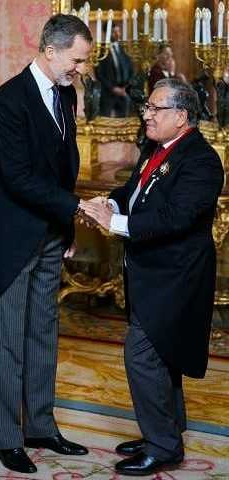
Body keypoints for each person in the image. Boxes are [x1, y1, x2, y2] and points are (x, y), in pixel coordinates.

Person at [0, 13, 93, 474]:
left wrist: (67, 227)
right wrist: (76, 207)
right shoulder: (8, 100)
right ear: (50, 50)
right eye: (77, 59)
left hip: (50, 235)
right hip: (12, 238)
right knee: (7, 340)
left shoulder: (66, 94)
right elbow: (17, 178)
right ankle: (6, 437)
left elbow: (64, 167)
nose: (80, 68)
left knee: (43, 333)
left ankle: (40, 425)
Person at [84, 78, 224, 476]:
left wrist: (115, 223)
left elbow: (175, 218)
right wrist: (110, 203)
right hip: (151, 274)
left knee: (142, 355)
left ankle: (163, 447)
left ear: (181, 116)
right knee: (162, 353)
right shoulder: (157, 148)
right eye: (147, 106)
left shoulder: (201, 160)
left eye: (155, 108)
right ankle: (165, 430)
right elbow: (135, 191)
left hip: (176, 278)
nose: (146, 114)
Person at [96, 24, 134, 117]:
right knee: (105, 121)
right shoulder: (101, 50)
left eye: (118, 31)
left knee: (124, 121)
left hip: (124, 92)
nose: (118, 34)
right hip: (108, 93)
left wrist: (126, 87)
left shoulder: (123, 48)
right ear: (107, 33)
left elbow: (130, 68)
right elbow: (99, 74)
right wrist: (113, 88)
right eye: (114, 32)